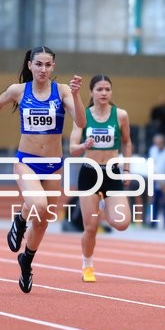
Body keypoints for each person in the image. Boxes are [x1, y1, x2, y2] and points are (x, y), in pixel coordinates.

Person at [0, 46, 86, 293]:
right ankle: (21, 220)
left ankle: (26, 260)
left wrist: (76, 95)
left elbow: (81, 122)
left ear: (53, 67)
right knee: (39, 205)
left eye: (48, 65)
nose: (43, 69)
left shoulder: (62, 90)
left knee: (43, 222)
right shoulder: (18, 90)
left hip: (53, 165)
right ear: (30, 65)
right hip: (26, 161)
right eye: (39, 64)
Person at [68, 74, 132, 283]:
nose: (104, 93)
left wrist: (127, 169)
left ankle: (105, 206)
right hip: (90, 172)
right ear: (91, 92)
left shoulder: (121, 115)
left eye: (107, 89)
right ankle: (87, 265)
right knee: (91, 227)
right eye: (99, 89)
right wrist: (84, 146)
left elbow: (127, 142)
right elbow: (72, 149)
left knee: (122, 223)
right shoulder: (83, 116)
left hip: (112, 172)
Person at [147, 133, 165, 229]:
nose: (157, 145)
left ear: (163, 143)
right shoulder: (152, 150)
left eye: (159, 143)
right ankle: (153, 222)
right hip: (155, 180)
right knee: (154, 201)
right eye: (156, 143)